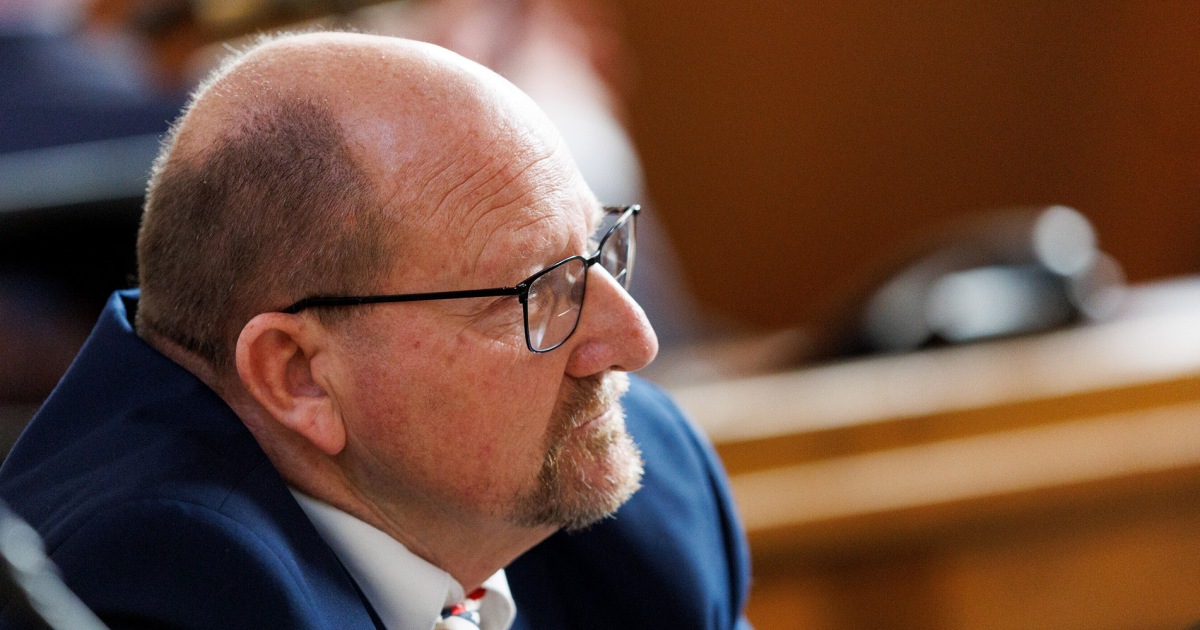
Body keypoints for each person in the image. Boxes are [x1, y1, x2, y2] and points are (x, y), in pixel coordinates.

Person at [0, 31, 750, 629]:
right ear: (298, 375)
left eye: (597, 251)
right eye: (535, 293)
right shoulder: (164, 583)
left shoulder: (649, 500)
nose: (634, 343)